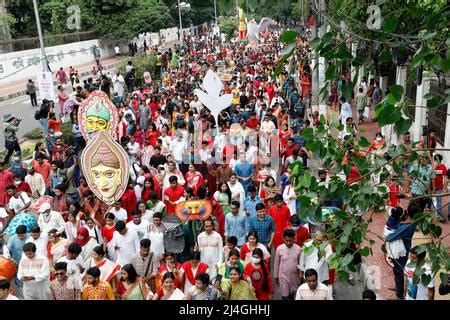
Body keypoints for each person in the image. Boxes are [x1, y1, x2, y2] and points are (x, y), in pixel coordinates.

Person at [386, 201, 420, 300]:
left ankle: (399, 295)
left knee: (398, 270)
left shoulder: (406, 227)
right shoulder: (413, 222)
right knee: (397, 270)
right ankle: (398, 288)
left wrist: (387, 236)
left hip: (402, 251)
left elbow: (390, 237)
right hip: (405, 247)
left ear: (408, 212)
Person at [274, 229, 302, 300]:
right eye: (286, 241)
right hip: (283, 276)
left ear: (294, 239)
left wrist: (300, 274)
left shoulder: (298, 249)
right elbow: (276, 263)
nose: (288, 243)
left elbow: (301, 263)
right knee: (285, 296)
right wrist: (276, 276)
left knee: (293, 295)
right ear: (283, 239)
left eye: (290, 241)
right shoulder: (279, 249)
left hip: (294, 276)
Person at [432, 154, 447, 222]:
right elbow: (429, 174)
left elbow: (446, 176)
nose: (438, 162)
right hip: (430, 187)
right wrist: (434, 167)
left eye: (439, 161)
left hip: (439, 187)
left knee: (439, 201)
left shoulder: (443, 166)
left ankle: (439, 216)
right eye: (436, 160)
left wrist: (444, 187)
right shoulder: (431, 166)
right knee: (428, 202)